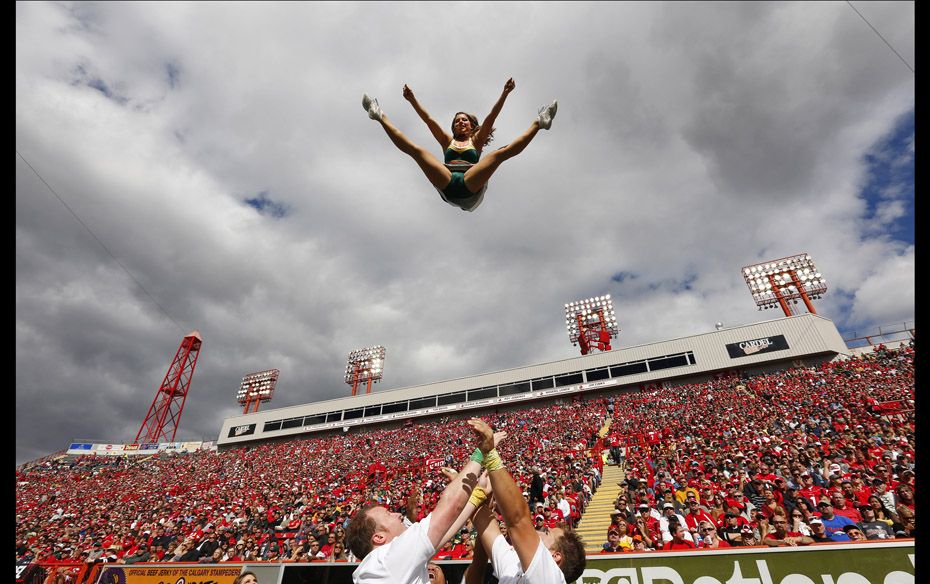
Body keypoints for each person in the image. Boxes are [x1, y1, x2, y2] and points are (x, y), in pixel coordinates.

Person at [361, 79, 558, 212]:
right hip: (448, 183)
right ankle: (379, 115)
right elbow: (429, 120)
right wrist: (412, 100)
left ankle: (540, 123)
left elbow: (491, 117)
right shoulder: (448, 141)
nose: (460, 122)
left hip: (468, 187)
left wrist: (505, 93)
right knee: (417, 151)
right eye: (457, 121)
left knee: (499, 154)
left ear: (472, 125)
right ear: (453, 126)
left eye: (464, 120)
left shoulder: (476, 141)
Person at [347, 419, 500, 584]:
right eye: (388, 514)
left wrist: (478, 495)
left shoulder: (385, 567)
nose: (398, 515)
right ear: (378, 537)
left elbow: (446, 530)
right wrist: (481, 453)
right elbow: (451, 505)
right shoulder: (385, 561)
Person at [465, 418, 586, 584]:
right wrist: (470, 488)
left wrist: (490, 454)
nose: (542, 528)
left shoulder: (550, 578)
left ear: (555, 556)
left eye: (547, 533)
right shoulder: (515, 568)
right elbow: (486, 524)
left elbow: (518, 521)